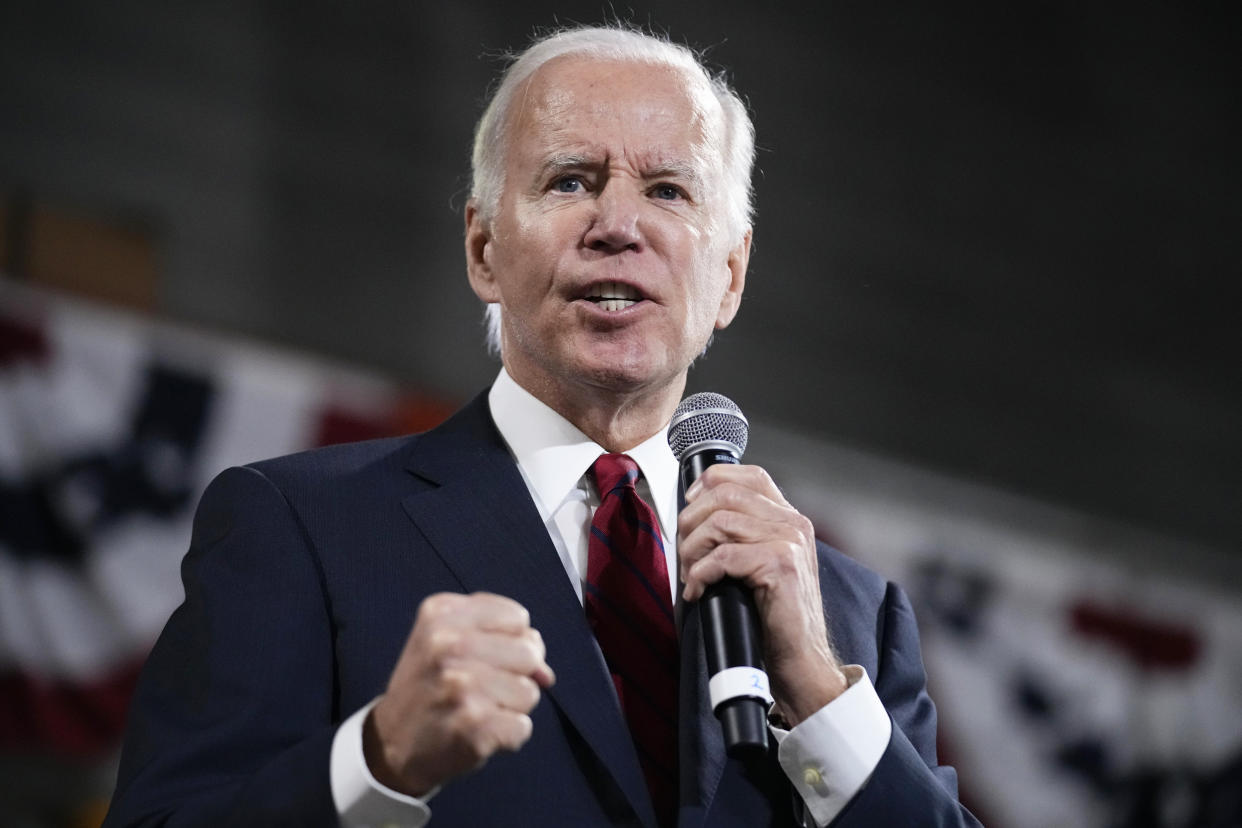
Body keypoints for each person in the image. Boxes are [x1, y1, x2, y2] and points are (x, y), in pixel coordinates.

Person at [104, 25, 979, 828]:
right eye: (571, 180)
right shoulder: (303, 529)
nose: (619, 226)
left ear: (730, 276)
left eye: (669, 190)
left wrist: (823, 699)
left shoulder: (852, 616)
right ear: (484, 249)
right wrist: (377, 762)